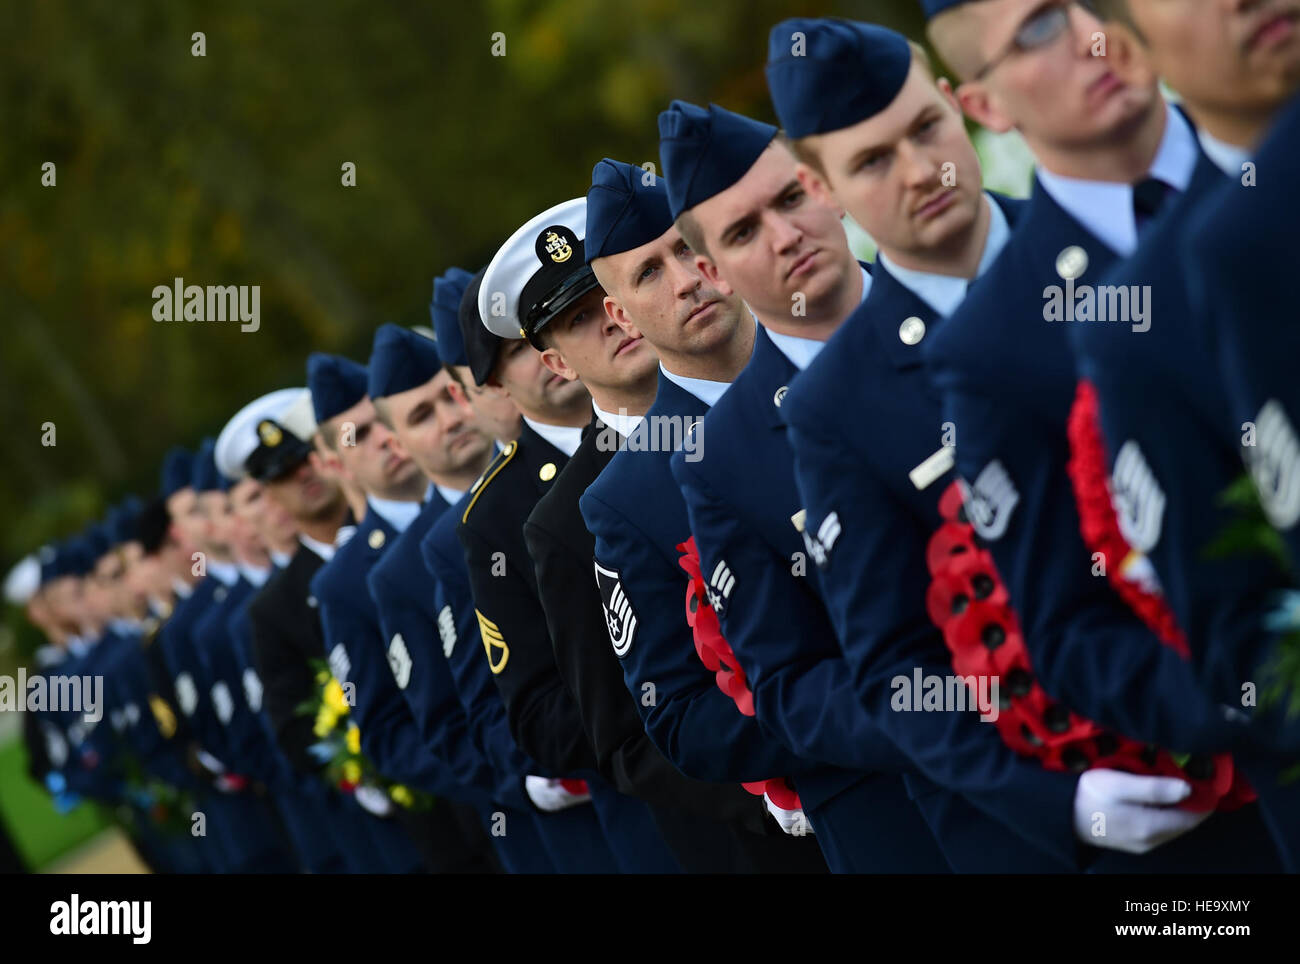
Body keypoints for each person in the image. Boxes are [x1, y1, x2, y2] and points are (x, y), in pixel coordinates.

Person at [919, 0, 1280, 868]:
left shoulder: (1271, 157)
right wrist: (1257, 696)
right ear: (987, 107)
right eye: (1039, 27)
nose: (1091, 37)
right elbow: (1069, 629)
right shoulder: (994, 342)